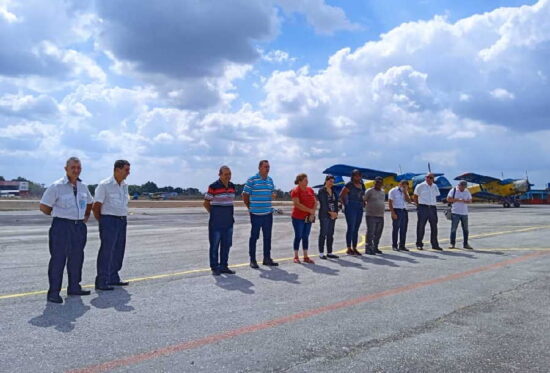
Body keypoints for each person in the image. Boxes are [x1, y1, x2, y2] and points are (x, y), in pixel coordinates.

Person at [39, 157, 94, 303]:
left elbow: (90, 202)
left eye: (78, 168)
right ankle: (53, 292)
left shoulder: (83, 187)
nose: (76, 170)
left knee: (77, 258)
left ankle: (74, 287)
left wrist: (86, 215)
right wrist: (58, 215)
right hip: (61, 227)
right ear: (66, 169)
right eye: (73, 167)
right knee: (58, 259)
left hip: (78, 227)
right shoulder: (57, 186)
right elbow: (44, 206)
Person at [93, 160, 131, 291]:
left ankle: (113, 276)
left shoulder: (125, 185)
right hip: (108, 220)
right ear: (117, 170)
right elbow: (96, 206)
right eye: (126, 170)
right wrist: (103, 221)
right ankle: (102, 280)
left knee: (119, 249)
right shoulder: (105, 185)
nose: (128, 173)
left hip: (121, 220)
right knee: (107, 250)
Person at [243, 160, 279, 268]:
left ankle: (267, 258)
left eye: (268, 167)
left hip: (268, 214)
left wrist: (274, 194)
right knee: (254, 237)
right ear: (259, 168)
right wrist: (250, 207)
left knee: (267, 237)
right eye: (265, 167)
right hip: (256, 214)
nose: (267, 169)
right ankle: (253, 260)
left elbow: (273, 192)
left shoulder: (270, 180)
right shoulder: (252, 180)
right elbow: (245, 195)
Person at [204, 166, 237, 275]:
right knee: (214, 245)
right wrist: (214, 214)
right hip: (216, 223)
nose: (228, 176)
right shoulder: (213, 186)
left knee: (226, 245)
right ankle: (214, 267)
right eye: (226, 174)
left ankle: (224, 266)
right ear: (220, 174)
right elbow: (206, 203)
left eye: (229, 174)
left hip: (228, 222)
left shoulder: (232, 186)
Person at [290, 173, 317, 264]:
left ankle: (305, 256)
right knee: (298, 236)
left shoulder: (310, 190)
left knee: (306, 236)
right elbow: (297, 204)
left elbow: (315, 201)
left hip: (308, 217)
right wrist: (310, 210)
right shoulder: (295, 191)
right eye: (305, 180)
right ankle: (296, 256)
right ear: (300, 181)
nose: (307, 181)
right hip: (298, 217)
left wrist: (313, 212)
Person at [413, 173, 443, 251]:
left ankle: (435, 244)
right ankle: (419, 244)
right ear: (425, 178)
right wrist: (418, 206)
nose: (429, 179)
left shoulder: (435, 186)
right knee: (421, 226)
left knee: (434, 227)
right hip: (423, 207)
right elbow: (415, 196)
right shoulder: (420, 186)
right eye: (428, 177)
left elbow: (436, 195)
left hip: (432, 208)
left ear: (433, 179)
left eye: (431, 178)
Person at [339, 169, 365, 256]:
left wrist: (363, 202)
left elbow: (362, 195)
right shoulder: (349, 185)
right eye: (355, 175)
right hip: (351, 207)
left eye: (359, 175)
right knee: (351, 227)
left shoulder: (362, 185)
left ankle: (355, 247)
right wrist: (346, 205)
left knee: (356, 228)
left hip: (359, 207)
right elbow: (341, 195)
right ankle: (349, 248)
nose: (357, 177)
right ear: (352, 176)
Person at [317, 175, 339, 259]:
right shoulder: (322, 190)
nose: (331, 183)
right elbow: (324, 203)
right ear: (326, 181)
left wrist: (336, 213)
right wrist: (331, 213)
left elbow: (336, 202)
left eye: (333, 182)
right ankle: (321, 253)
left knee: (330, 234)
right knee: (323, 233)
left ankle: (329, 252)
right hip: (325, 215)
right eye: (330, 181)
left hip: (333, 215)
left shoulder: (333, 191)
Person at [447, 180, 473, 249]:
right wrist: (458, 200)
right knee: (453, 229)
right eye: (462, 187)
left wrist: (466, 201)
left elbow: (470, 201)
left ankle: (465, 244)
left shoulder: (467, 191)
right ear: (459, 185)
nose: (463, 188)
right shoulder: (454, 190)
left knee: (465, 229)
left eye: (464, 187)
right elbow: (448, 199)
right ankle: (452, 244)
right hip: (455, 212)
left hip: (464, 213)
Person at [364, 176, 386, 255]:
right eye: (377, 182)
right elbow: (364, 200)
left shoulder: (383, 192)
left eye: (380, 182)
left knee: (378, 233)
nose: (378, 184)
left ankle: (375, 247)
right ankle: (368, 248)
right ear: (374, 183)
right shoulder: (369, 191)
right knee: (370, 232)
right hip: (371, 215)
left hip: (380, 215)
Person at [388, 180, 411, 251]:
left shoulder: (405, 192)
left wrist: (405, 192)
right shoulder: (393, 191)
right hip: (396, 210)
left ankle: (402, 245)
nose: (404, 187)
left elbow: (409, 201)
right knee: (396, 229)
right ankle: (394, 245)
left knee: (404, 229)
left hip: (404, 211)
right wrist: (393, 213)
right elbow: (390, 202)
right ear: (399, 184)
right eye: (403, 185)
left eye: (406, 186)